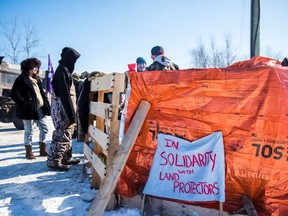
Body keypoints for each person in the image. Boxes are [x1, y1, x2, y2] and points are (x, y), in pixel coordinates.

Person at [47, 47, 81, 171]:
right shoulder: (62, 71)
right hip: (63, 110)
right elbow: (65, 95)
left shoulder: (64, 70)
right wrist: (71, 114)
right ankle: (55, 160)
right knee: (62, 134)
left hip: (66, 108)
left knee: (68, 133)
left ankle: (66, 157)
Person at [11, 58, 51, 159]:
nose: (37, 69)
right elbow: (14, 94)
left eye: (37, 67)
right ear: (29, 68)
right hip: (27, 109)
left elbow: (41, 94)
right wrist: (25, 103)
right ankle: (29, 152)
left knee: (44, 128)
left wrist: (46, 105)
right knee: (29, 130)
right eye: (35, 67)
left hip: (39, 108)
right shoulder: (21, 79)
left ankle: (42, 149)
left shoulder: (37, 79)